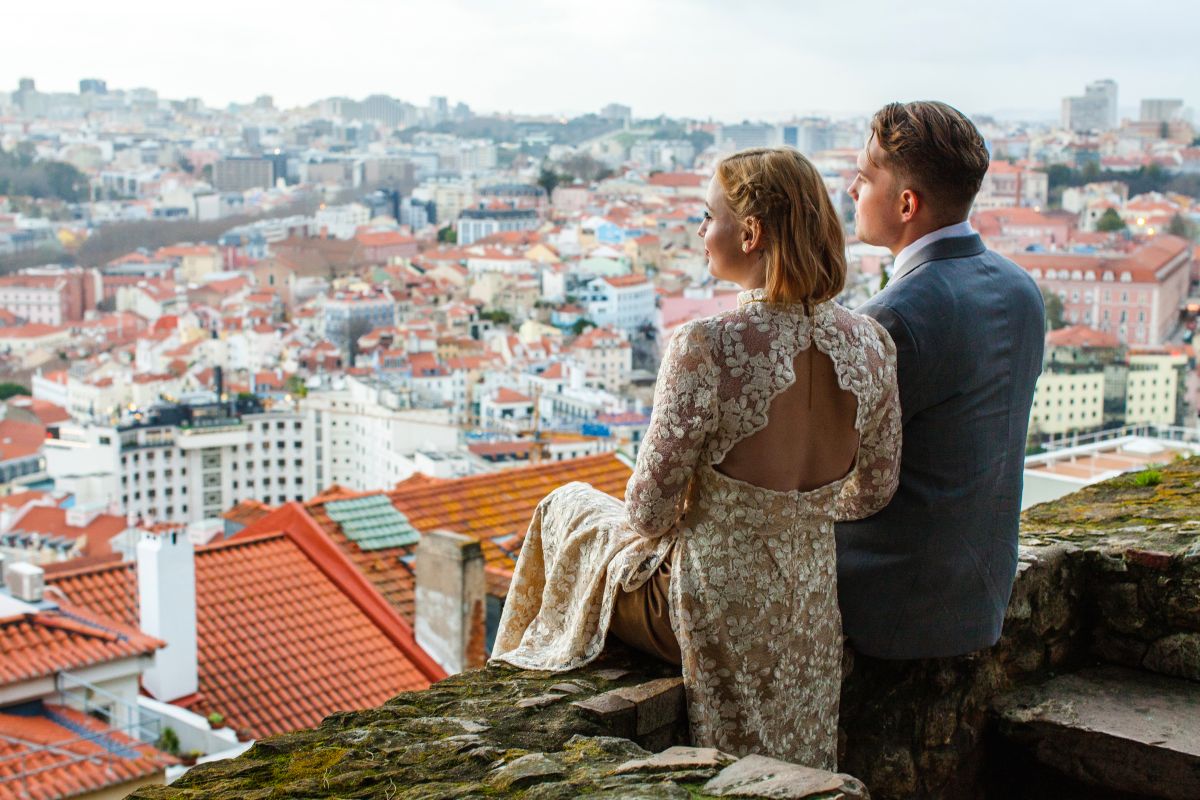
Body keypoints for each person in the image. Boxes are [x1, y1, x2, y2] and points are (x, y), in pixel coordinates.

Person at [491, 147, 902, 769]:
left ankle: (503, 698)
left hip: (712, 605)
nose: (701, 232)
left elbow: (648, 512)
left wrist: (718, 513)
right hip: (809, 605)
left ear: (751, 232)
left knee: (565, 506)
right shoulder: (871, 344)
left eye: (707, 217)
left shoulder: (707, 345)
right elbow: (873, 491)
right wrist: (793, 514)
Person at [836, 101, 1045, 661]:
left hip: (893, 602)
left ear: (906, 203)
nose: (852, 189)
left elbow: (837, 469)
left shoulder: (896, 316)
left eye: (863, 176)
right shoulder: (1021, 289)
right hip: (980, 594)